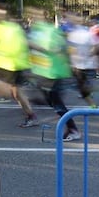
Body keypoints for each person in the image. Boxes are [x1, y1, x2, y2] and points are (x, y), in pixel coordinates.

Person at [25, 7, 81, 141]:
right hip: (42, 72)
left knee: (56, 102)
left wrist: (34, 46)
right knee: (52, 101)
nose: (33, 17)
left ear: (44, 16)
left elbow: (55, 49)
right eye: (32, 15)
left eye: (36, 14)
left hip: (53, 72)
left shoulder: (51, 31)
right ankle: (69, 126)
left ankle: (73, 130)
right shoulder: (35, 31)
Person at [0, 5, 38, 128]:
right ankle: (30, 115)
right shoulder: (3, 27)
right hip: (11, 65)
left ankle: (32, 114)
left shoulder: (8, 29)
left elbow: (15, 48)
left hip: (12, 66)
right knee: (17, 93)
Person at [65, 13, 99, 108]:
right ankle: (93, 105)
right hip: (78, 65)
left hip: (89, 64)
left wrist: (91, 53)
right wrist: (72, 61)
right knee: (82, 88)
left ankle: (94, 100)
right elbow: (71, 48)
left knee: (88, 86)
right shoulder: (72, 34)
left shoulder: (90, 32)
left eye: (78, 19)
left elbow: (97, 45)